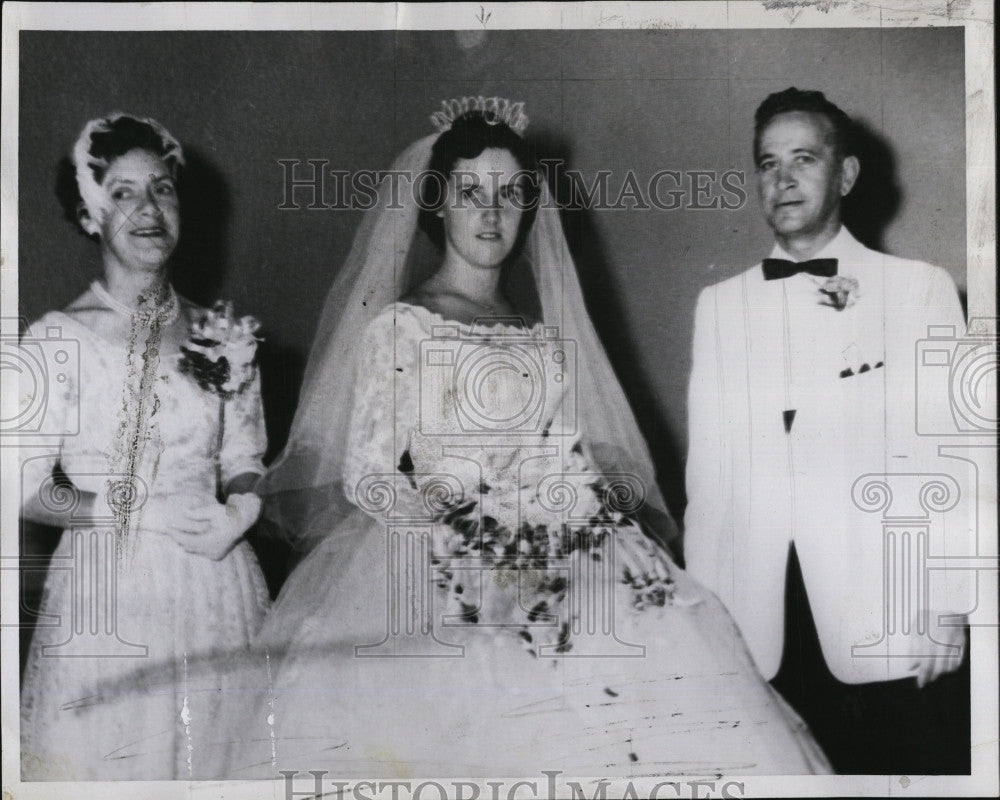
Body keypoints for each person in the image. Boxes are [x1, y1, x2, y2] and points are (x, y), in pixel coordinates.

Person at [220, 99, 831, 780]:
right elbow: (369, 472)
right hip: (438, 564)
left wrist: (578, 519)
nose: (491, 214)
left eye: (510, 195)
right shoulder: (403, 326)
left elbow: (564, 458)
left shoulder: (540, 335)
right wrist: (466, 537)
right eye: (471, 194)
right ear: (438, 207)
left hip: (559, 553)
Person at [683, 87, 971, 774]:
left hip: (886, 621)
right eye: (767, 162)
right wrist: (704, 630)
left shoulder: (918, 288)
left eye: (803, 159)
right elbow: (708, 487)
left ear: (844, 176)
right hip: (759, 629)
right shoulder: (719, 306)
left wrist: (950, 609)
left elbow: (956, 461)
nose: (781, 179)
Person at [18, 113, 271, 780]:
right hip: (111, 592)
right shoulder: (56, 339)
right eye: (123, 193)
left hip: (217, 586)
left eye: (161, 188)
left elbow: (244, 457)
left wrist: (240, 512)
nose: (148, 208)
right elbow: (24, 489)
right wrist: (138, 514)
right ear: (88, 214)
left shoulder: (222, 332)